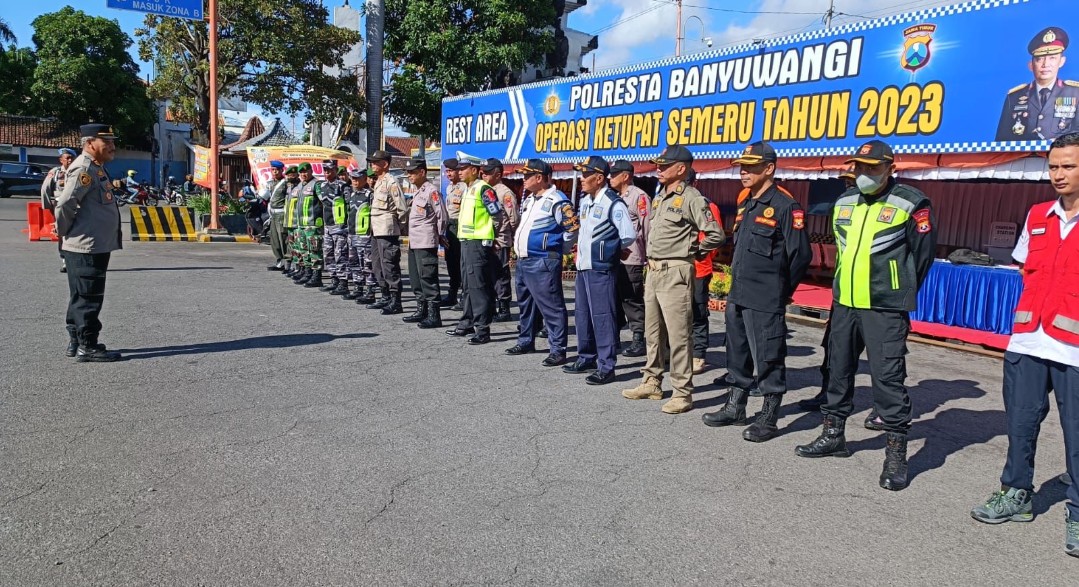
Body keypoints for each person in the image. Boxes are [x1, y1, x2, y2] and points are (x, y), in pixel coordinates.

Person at [795, 140, 937, 492]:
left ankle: (896, 454)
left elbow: (921, 258)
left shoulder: (911, 202)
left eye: (873, 168)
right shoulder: (843, 202)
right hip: (845, 303)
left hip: (885, 307)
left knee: (888, 379)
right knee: (837, 370)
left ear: (891, 168)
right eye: (859, 167)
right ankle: (833, 435)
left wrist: (896, 289)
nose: (865, 174)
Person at [969, 132, 1079, 558]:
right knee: (1020, 425)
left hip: (1073, 349)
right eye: (1053, 166)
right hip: (1030, 340)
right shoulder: (1037, 216)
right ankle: (1016, 493)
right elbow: (1024, 271)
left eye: (1068, 166)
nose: (1058, 174)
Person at [702, 142, 811, 442]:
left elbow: (800, 255)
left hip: (765, 296)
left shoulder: (787, 207)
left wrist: (781, 291)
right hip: (738, 293)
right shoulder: (747, 203)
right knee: (737, 352)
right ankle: (735, 406)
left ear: (769, 169)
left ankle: (769, 416)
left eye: (751, 166)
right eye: (742, 166)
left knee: (768, 356)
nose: (744, 171)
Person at [621, 145, 724, 414]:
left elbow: (715, 234)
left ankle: (682, 392)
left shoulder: (692, 198)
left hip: (676, 271)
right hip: (654, 271)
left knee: (679, 336)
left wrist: (691, 252)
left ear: (681, 169)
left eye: (665, 165)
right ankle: (652, 381)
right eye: (659, 164)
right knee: (653, 332)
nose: (659, 168)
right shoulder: (660, 197)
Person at [562, 156, 635, 385]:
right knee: (582, 315)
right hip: (584, 267)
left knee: (603, 317)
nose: (582, 179)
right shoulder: (585, 201)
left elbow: (628, 235)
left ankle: (607, 365)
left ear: (599, 178)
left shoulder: (613, 202)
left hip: (601, 268)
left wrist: (609, 250)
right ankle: (586, 357)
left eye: (585, 175)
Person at [54, 124, 123, 362]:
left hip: (91, 243)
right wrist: (65, 233)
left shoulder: (95, 167)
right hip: (87, 245)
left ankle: (76, 341)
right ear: (90, 143)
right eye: (108, 142)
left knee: (80, 295)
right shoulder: (84, 168)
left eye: (113, 141)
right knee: (88, 297)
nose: (112, 146)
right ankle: (88, 345)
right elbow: (65, 204)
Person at [503, 158, 578, 364]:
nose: (524, 179)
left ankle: (558, 349)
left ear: (539, 177)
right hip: (524, 261)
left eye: (528, 176)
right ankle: (526, 340)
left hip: (543, 261)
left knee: (551, 307)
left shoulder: (557, 200)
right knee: (526, 305)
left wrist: (558, 248)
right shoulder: (530, 199)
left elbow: (572, 229)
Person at [446, 154, 505, 345]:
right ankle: (467, 322)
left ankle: (482, 329)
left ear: (474, 170)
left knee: (479, 286)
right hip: (466, 242)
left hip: (478, 243)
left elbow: (496, 214)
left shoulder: (483, 189)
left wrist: (491, 235)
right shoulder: (468, 189)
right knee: (468, 284)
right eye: (459, 169)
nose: (459, 172)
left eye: (463, 168)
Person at [996, 27, 1079, 141]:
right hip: (1024, 157)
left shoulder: (1075, 93)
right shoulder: (1014, 96)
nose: (1046, 64)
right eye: (1040, 59)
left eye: (1052, 58)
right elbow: (1002, 141)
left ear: (1062, 62)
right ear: (1031, 65)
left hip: (1063, 157)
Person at [610, 159, 650, 358]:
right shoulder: (615, 197)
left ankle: (638, 338)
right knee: (614, 298)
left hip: (631, 257)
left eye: (614, 174)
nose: (610, 178)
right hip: (615, 256)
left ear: (625, 176)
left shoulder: (638, 196)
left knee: (631, 298)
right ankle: (614, 336)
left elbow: (647, 226)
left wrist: (648, 256)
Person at [402, 157, 448, 327]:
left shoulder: (431, 191)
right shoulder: (418, 191)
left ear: (422, 172)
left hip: (426, 242)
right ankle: (421, 309)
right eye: (408, 173)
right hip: (414, 242)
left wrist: (439, 235)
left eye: (413, 172)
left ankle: (434, 315)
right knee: (415, 278)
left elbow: (442, 216)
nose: (409, 176)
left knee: (428, 278)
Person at [688, 170, 722, 375]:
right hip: (675, 269)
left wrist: (697, 254)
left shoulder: (707, 205)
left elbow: (714, 240)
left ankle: (698, 354)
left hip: (698, 268)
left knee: (698, 312)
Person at [366, 150, 409, 314]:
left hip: (387, 230)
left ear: (385, 164)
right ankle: (384, 296)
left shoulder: (391, 182)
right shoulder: (378, 181)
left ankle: (395, 301)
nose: (372, 164)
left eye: (375, 162)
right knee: (377, 265)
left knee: (389, 265)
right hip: (376, 230)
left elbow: (402, 208)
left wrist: (401, 228)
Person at [481, 158, 520, 323]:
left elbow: (514, 219)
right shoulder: (485, 190)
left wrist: (504, 234)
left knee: (501, 274)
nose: (484, 175)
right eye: (483, 172)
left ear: (498, 174)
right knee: (489, 274)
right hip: (487, 238)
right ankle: (492, 305)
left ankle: (504, 308)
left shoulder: (505, 192)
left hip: (500, 239)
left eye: (488, 172)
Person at [344, 169, 378, 303]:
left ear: (365, 179)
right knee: (354, 264)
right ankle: (358, 288)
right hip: (352, 235)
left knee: (367, 266)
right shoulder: (352, 194)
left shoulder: (369, 195)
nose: (354, 181)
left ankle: (370, 292)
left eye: (357, 179)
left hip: (365, 237)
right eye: (352, 178)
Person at [317, 160, 351, 295]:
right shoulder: (323, 185)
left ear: (335, 170)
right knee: (328, 254)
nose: (327, 172)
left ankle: (343, 283)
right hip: (328, 225)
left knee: (340, 255)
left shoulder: (343, 186)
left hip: (339, 226)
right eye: (325, 170)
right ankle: (334, 280)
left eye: (329, 170)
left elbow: (349, 205)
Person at [41, 147, 78, 273]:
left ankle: (78, 259)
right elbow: (45, 188)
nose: (69, 160)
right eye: (66, 158)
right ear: (61, 160)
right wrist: (48, 207)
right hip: (60, 206)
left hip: (78, 207)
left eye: (72, 158)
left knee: (79, 233)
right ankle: (65, 261)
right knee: (62, 233)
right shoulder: (56, 172)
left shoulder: (81, 171)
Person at [293, 162, 325, 288]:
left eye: (305, 172)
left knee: (314, 250)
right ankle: (308, 273)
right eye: (301, 172)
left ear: (311, 171)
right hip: (301, 225)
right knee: (304, 250)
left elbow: (323, 201)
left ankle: (317, 276)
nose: (303, 174)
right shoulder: (300, 185)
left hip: (313, 224)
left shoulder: (316, 184)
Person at [441, 158, 467, 309]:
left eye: (451, 171)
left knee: (461, 261)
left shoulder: (464, 187)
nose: (448, 174)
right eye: (447, 171)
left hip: (460, 225)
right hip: (450, 226)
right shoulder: (450, 187)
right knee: (451, 262)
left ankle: (464, 295)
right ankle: (452, 294)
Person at [263, 161, 289, 271]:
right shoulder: (269, 183)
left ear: (282, 170)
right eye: (273, 169)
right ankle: (279, 261)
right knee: (274, 239)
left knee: (283, 238)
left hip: (281, 214)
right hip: (272, 214)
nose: (275, 172)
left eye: (277, 170)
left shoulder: (286, 183)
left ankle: (287, 263)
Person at [282, 166, 303, 278]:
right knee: (291, 246)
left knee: (300, 247)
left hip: (297, 222)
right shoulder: (289, 187)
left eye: (292, 175)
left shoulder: (300, 187)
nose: (290, 177)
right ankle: (291, 267)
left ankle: (299, 267)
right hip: (289, 221)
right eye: (288, 175)